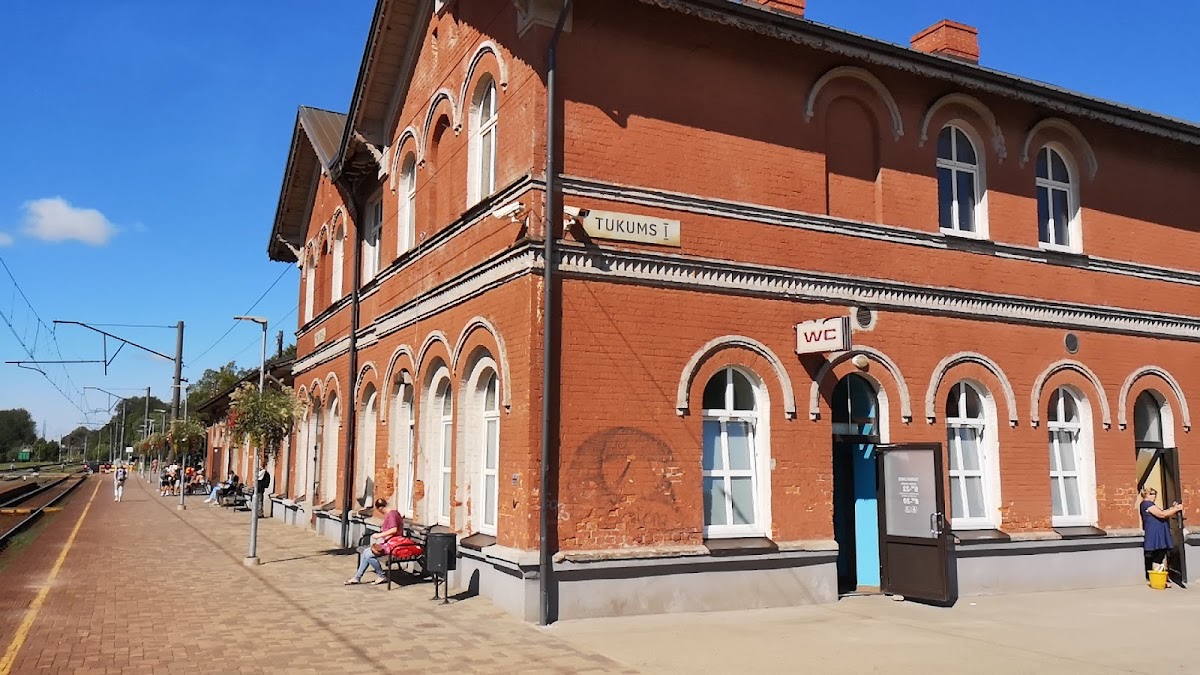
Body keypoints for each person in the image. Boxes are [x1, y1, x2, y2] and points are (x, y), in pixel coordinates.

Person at [345, 498, 404, 586]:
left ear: (380, 508)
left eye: (379, 510)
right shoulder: (393, 513)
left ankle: (381, 575)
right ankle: (357, 577)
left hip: (393, 545)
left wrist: (379, 535)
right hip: (389, 542)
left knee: (369, 555)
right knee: (366, 552)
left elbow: (394, 529)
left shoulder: (391, 515)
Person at [1140, 487, 1184, 577]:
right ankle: (1156, 577)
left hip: (1158, 533)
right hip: (1155, 533)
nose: (1154, 496)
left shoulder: (1150, 504)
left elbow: (1162, 512)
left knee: (1160, 554)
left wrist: (1172, 508)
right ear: (1146, 495)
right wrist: (1176, 509)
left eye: (1155, 494)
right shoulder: (1147, 504)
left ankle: (1159, 576)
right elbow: (1161, 514)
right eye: (1152, 494)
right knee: (1157, 555)